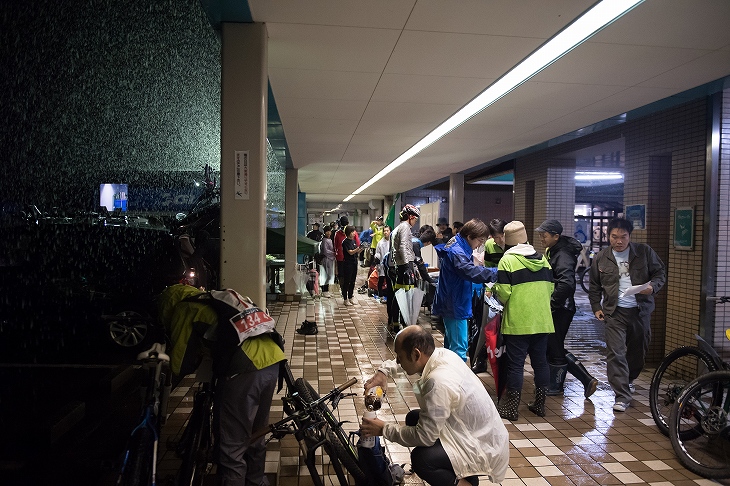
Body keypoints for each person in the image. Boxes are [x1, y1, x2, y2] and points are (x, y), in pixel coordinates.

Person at [360, 326, 509, 486]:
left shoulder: (438, 382)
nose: (397, 361)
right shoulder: (442, 355)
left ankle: (466, 483)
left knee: (422, 459)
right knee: (413, 418)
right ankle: (465, 476)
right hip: (469, 430)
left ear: (416, 354)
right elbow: (405, 364)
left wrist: (384, 429)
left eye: (400, 356)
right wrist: (383, 372)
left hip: (480, 444)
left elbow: (425, 436)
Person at [588, 217, 666, 412]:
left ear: (630, 236)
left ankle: (628, 379)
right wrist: (597, 306)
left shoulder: (644, 252)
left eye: (623, 237)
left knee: (638, 352)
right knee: (615, 353)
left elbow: (660, 273)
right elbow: (595, 286)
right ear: (608, 236)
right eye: (615, 237)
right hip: (614, 312)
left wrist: (652, 287)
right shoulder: (601, 257)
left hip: (640, 311)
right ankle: (622, 395)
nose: (619, 241)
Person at [493, 221, 554, 421]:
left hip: (518, 322)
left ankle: (511, 409)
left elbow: (504, 293)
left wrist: (494, 289)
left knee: (516, 365)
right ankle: (540, 404)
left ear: (508, 243)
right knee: (540, 363)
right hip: (543, 321)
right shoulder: (544, 260)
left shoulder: (507, 261)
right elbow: (551, 289)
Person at [536, 219, 599, 398]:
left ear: (556, 236)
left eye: (544, 235)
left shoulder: (562, 254)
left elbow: (567, 283)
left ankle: (556, 386)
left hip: (561, 308)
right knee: (553, 345)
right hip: (560, 307)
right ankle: (586, 379)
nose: (541, 238)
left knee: (554, 346)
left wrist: (552, 304)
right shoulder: (554, 250)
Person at [432, 219, 498, 362]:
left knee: (451, 348)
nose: (480, 244)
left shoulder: (457, 245)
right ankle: (456, 383)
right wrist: (497, 273)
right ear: (469, 236)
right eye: (480, 240)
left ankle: (448, 380)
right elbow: (469, 271)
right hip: (455, 304)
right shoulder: (458, 251)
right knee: (459, 351)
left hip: (453, 301)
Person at [470, 218, 507, 374]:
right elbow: (489, 271)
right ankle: (481, 360)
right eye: (496, 237)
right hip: (493, 292)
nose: (499, 241)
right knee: (486, 326)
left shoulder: (513, 245)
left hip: (509, 292)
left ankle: (503, 362)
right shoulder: (490, 246)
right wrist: (489, 288)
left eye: (501, 236)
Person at [387, 204, 420, 332]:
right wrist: (408, 265)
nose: (415, 222)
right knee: (405, 296)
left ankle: (395, 322)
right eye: (415, 219)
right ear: (410, 217)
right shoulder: (406, 227)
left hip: (398, 265)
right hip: (404, 266)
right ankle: (406, 324)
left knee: (397, 295)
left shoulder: (397, 228)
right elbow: (402, 247)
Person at [341, 225, 365, 306]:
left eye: (354, 231)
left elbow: (355, 252)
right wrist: (357, 249)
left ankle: (350, 297)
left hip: (354, 263)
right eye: (352, 232)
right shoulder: (345, 242)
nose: (354, 233)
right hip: (348, 264)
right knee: (346, 282)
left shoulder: (353, 241)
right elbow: (350, 252)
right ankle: (345, 299)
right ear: (348, 233)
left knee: (352, 281)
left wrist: (361, 248)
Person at [334, 215, 360, 286]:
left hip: (340, 256)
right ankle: (348, 291)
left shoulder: (337, 233)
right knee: (351, 275)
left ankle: (343, 289)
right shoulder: (353, 232)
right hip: (350, 258)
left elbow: (335, 246)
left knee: (342, 274)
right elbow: (358, 243)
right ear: (348, 223)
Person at [373, 225, 391, 304]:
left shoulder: (393, 241)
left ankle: (389, 296)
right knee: (381, 280)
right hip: (382, 264)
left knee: (389, 281)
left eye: (387, 231)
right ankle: (380, 296)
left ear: (390, 231)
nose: (385, 232)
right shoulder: (380, 243)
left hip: (390, 265)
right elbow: (377, 253)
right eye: (384, 231)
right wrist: (377, 260)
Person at [318, 225, 336, 298]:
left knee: (329, 275)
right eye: (327, 231)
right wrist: (334, 254)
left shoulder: (329, 239)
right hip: (326, 259)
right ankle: (324, 290)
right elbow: (326, 251)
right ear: (325, 232)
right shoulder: (324, 240)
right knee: (327, 275)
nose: (329, 233)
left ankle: (326, 290)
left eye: (329, 231)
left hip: (330, 259)